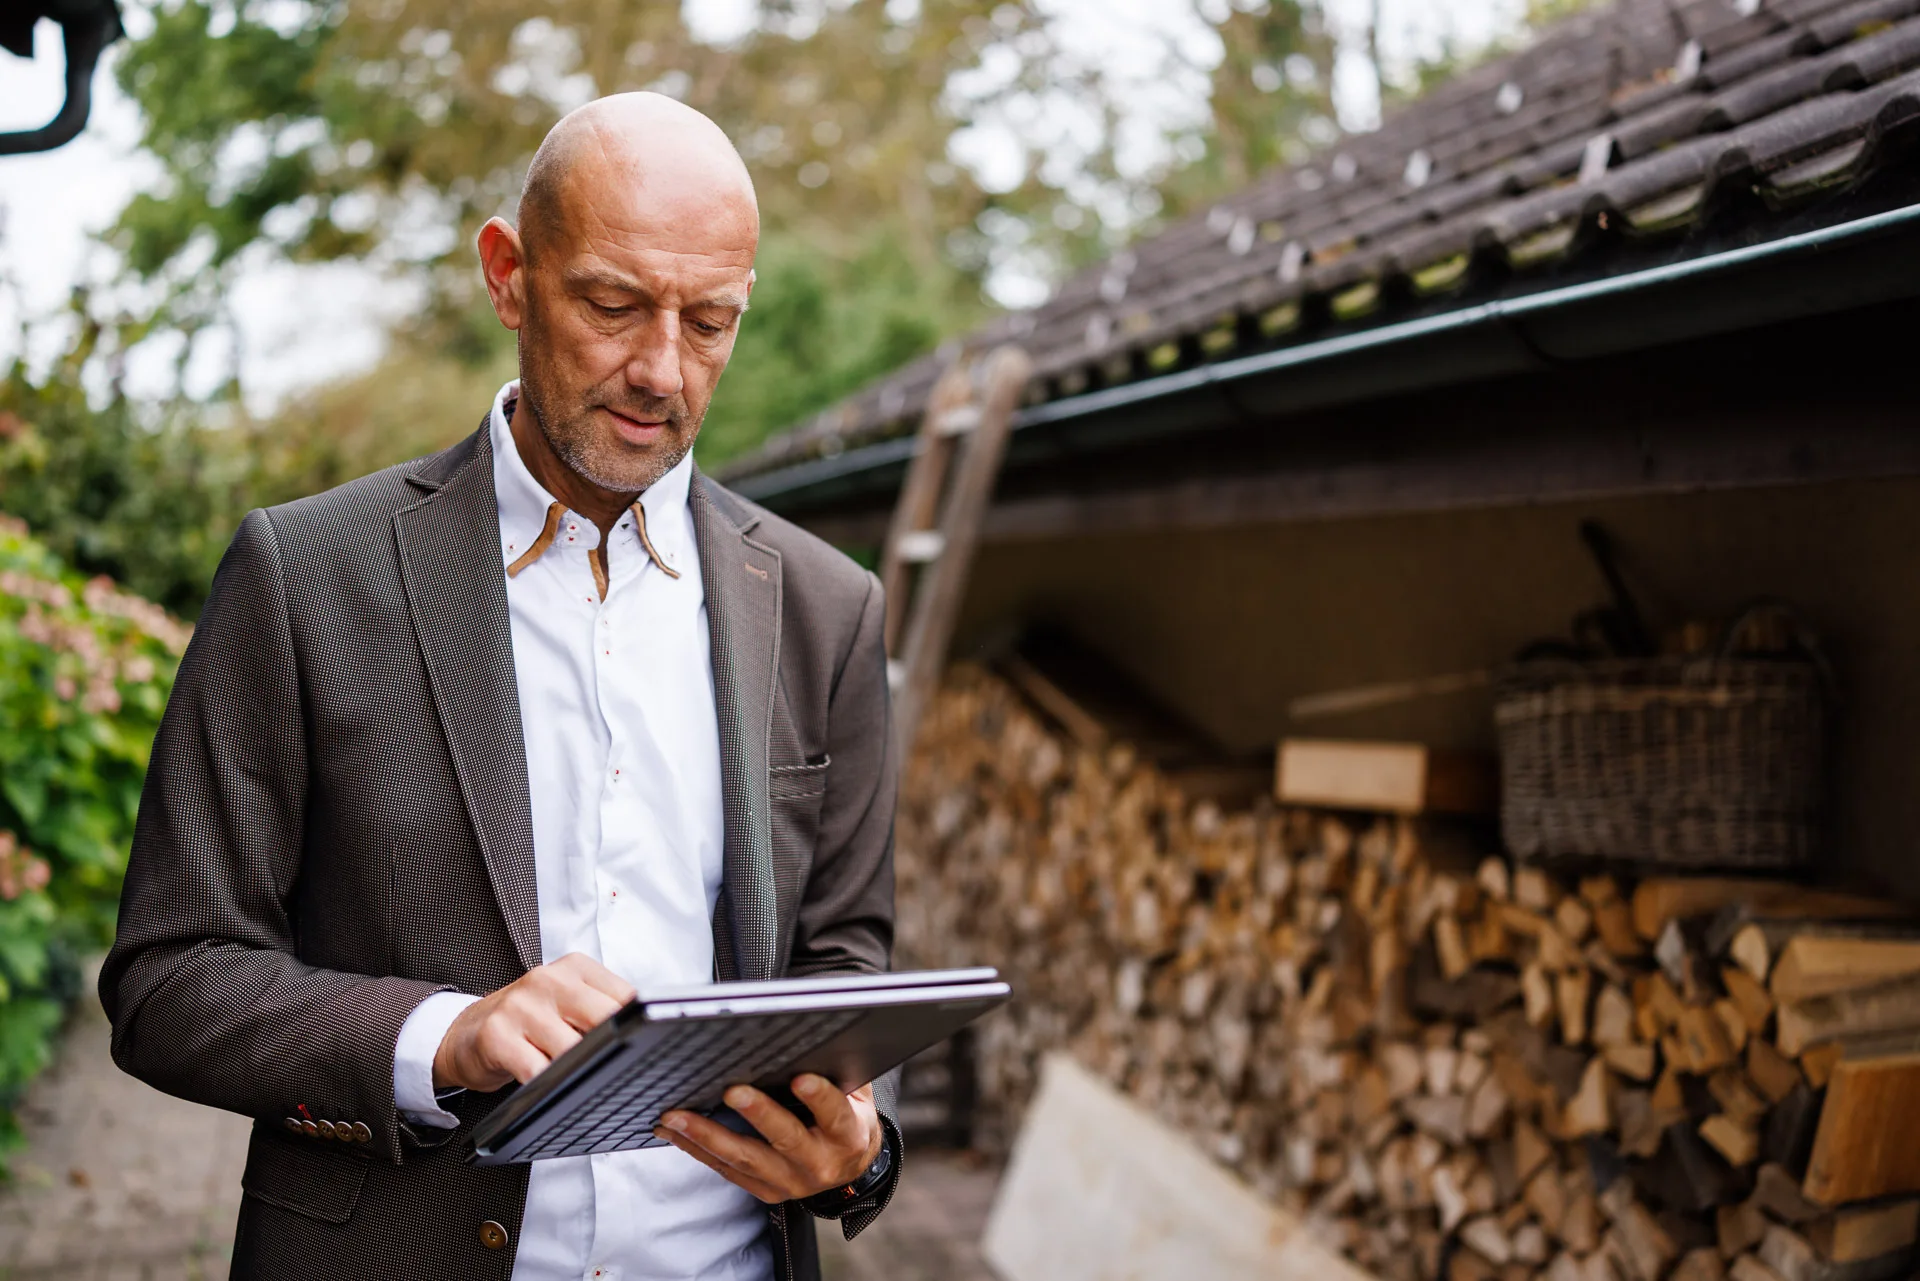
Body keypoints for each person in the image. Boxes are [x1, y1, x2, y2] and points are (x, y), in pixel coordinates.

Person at [100, 92, 901, 1281]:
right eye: (613, 305)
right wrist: (447, 1037)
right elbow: (170, 981)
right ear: (507, 273)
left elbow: (847, 968)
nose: (659, 369)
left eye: (711, 322)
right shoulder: (303, 572)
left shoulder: (830, 610)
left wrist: (859, 1151)